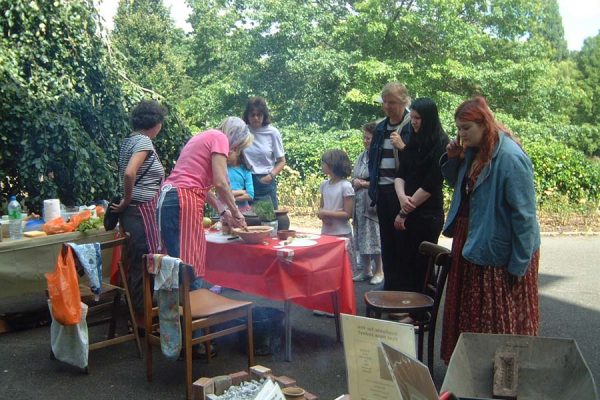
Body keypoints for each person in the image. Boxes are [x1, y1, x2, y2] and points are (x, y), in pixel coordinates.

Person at [440, 97, 541, 363]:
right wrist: (453, 159)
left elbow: (525, 217)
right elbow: (462, 190)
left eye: (465, 128)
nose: (460, 134)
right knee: (473, 318)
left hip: (500, 252)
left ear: (484, 124)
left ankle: (502, 380)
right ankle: (472, 373)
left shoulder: (510, 158)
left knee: (498, 323)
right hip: (476, 243)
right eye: (458, 128)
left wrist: (518, 266)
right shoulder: (474, 152)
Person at [111, 99, 167, 318]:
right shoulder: (144, 142)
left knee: (138, 262)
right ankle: (142, 319)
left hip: (134, 211)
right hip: (139, 211)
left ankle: (139, 316)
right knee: (143, 265)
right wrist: (127, 199)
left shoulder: (130, 141)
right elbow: (129, 173)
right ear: (156, 122)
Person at [392, 98, 449, 292]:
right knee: (405, 261)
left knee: (422, 266)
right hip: (407, 206)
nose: (413, 122)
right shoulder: (414, 140)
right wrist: (401, 197)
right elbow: (401, 173)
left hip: (427, 213)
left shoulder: (442, 143)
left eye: (418, 118)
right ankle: (407, 306)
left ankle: (421, 313)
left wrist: (403, 212)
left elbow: (430, 184)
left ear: (429, 118)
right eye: (412, 117)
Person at [367, 82, 412, 290]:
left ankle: (402, 290)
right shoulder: (380, 127)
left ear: (404, 102)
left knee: (403, 243)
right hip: (382, 192)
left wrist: (403, 147)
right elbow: (372, 160)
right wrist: (373, 190)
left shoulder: (413, 125)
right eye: (384, 102)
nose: (387, 106)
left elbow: (421, 161)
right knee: (386, 241)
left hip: (403, 194)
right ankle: (390, 286)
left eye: (392, 102)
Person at [316, 149, 355, 317]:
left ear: (332, 165)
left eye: (324, 162)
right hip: (327, 233)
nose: (322, 165)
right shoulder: (324, 185)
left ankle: (340, 306)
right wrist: (322, 215)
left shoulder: (346, 186)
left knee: (340, 272)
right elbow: (321, 207)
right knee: (326, 271)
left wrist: (327, 214)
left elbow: (348, 213)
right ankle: (327, 305)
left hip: (341, 234)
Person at [351, 122, 383, 285]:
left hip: (371, 204)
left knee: (374, 237)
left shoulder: (380, 157)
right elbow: (354, 176)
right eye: (364, 137)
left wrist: (362, 184)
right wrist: (355, 182)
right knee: (361, 236)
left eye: (368, 138)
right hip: (358, 203)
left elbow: (384, 181)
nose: (365, 140)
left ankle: (379, 270)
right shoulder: (361, 156)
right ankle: (366, 270)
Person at [242, 96, 286, 210]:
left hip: (264, 182)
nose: (256, 118)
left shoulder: (273, 133)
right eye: (252, 115)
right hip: (245, 181)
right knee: (246, 220)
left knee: (269, 219)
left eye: (259, 115)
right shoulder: (242, 131)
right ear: (247, 116)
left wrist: (270, 176)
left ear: (264, 115)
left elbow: (281, 161)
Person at [228, 149, 254, 213]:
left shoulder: (246, 170)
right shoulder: (222, 168)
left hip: (243, 211)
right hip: (225, 210)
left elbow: (250, 195)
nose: (226, 154)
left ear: (237, 152)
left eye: (229, 152)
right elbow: (221, 193)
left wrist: (229, 198)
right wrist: (242, 192)